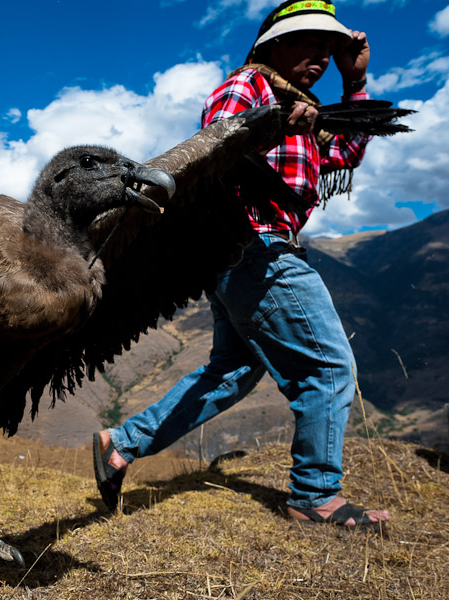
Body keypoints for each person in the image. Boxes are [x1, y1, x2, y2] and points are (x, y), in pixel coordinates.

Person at [93, 1, 390, 530]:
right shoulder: (250, 87)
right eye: (308, 43)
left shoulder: (306, 108)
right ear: (273, 43)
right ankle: (316, 496)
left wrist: (356, 82)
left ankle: (123, 443)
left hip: (241, 254)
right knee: (327, 368)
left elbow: (345, 153)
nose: (320, 57)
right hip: (259, 247)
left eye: (328, 49)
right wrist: (272, 127)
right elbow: (216, 150)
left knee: (231, 371)